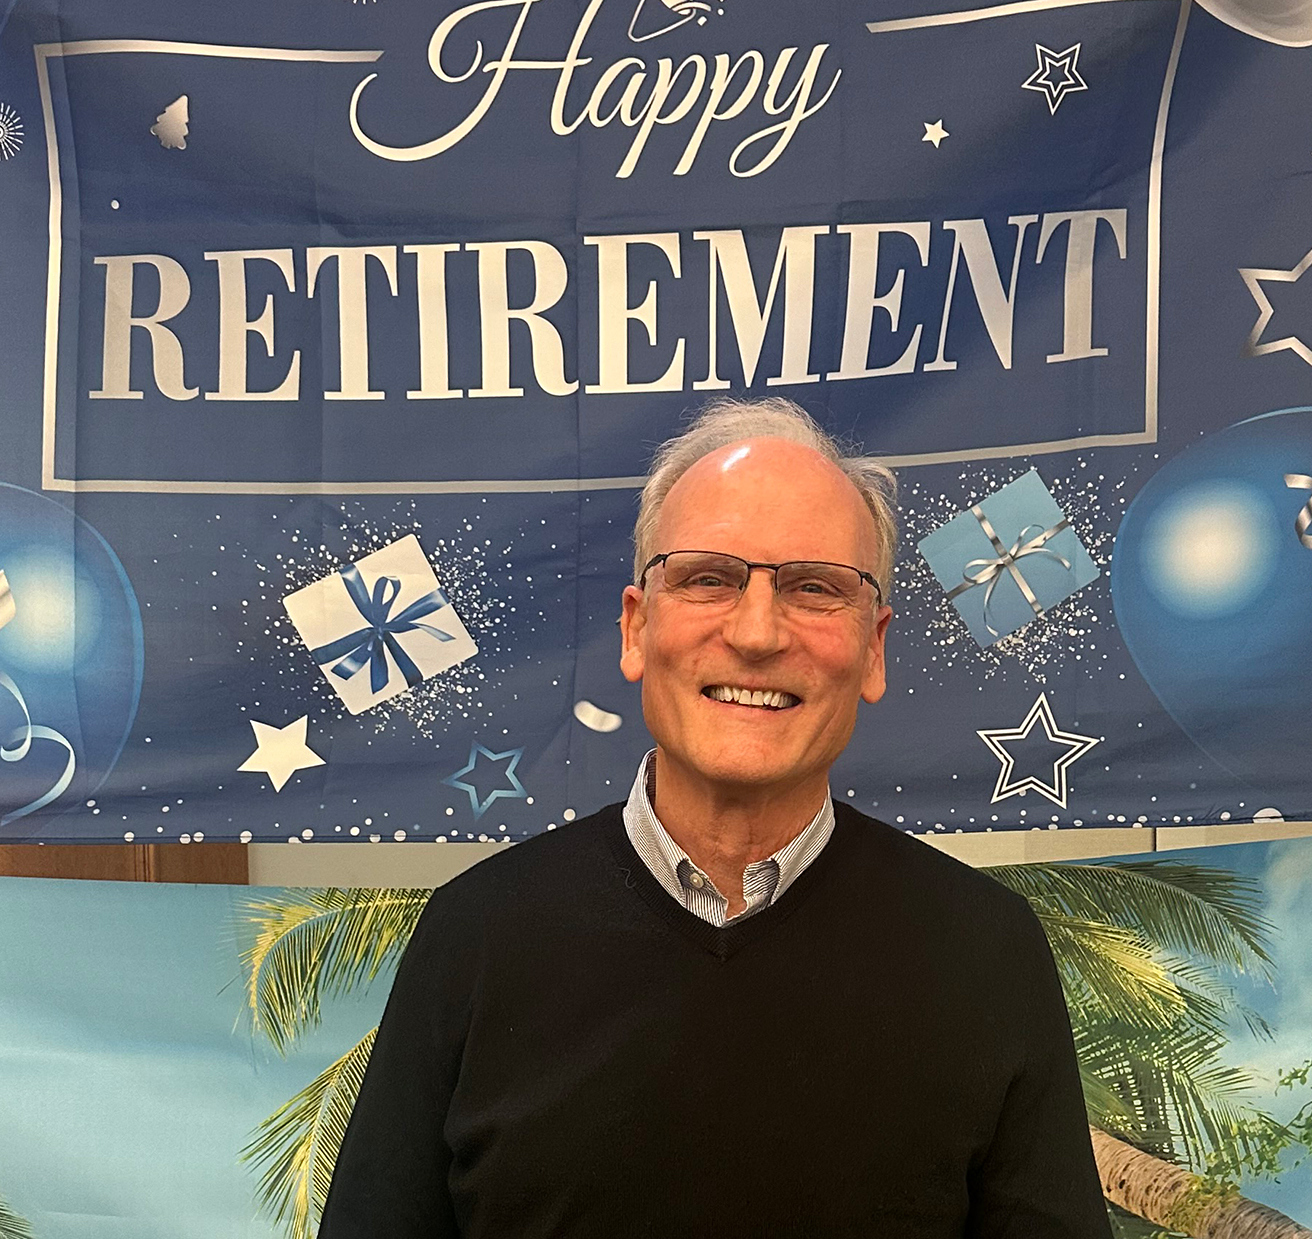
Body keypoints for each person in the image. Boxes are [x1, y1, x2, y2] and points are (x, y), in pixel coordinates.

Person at [319, 399, 1112, 1238]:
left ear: (874, 648)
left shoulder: (985, 950)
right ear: (636, 627)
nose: (759, 632)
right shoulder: (474, 936)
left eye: (815, 588)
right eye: (708, 578)